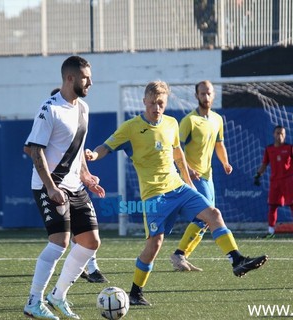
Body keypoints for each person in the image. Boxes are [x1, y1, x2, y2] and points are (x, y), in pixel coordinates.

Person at [85, 80, 268, 306]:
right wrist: (93, 155)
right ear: (144, 102)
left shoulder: (171, 123)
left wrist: (189, 184)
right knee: (154, 245)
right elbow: (106, 147)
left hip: (179, 188)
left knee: (214, 214)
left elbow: (179, 156)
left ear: (165, 103)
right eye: (152, 103)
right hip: (154, 196)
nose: (156, 107)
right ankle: (135, 293)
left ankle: (237, 260)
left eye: (160, 103)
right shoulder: (131, 128)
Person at [23, 55, 106, 320]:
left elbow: (78, 149)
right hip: (50, 186)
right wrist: (50, 188)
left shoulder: (84, 108)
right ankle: (33, 302)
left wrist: (87, 176)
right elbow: (35, 150)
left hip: (74, 186)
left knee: (91, 242)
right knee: (60, 242)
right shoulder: (49, 109)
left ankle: (57, 297)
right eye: (85, 77)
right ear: (70, 78)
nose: (90, 82)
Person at [170, 80, 233, 272]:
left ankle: (181, 255)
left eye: (209, 93)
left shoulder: (217, 119)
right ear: (196, 96)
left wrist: (225, 162)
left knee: (206, 220)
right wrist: (187, 169)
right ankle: (179, 254)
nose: (206, 97)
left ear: (214, 95)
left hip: (208, 176)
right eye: (202, 94)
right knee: (207, 216)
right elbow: (175, 149)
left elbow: (219, 144)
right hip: (193, 178)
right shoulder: (189, 121)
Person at [254, 125, 293, 239]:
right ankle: (271, 232)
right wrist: (258, 175)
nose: (279, 136)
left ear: (285, 135)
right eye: (277, 133)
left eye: (282, 133)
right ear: (273, 134)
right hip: (275, 182)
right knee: (272, 206)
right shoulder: (269, 149)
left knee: (292, 205)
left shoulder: (289, 148)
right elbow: (265, 164)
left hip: (288, 181)